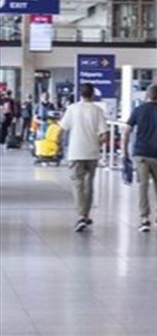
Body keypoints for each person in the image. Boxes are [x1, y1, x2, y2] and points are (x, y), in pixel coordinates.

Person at [122, 85, 157, 232]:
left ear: (146, 96)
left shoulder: (138, 110)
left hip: (141, 154)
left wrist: (125, 152)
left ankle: (144, 219)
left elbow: (127, 131)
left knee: (143, 186)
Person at [58, 83, 109, 232]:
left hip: (75, 152)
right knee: (89, 185)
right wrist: (96, 143)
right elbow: (104, 135)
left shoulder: (72, 109)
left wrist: (58, 144)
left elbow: (62, 129)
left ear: (79, 94)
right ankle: (86, 215)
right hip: (92, 153)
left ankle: (81, 216)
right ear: (93, 94)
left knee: (77, 184)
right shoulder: (98, 110)